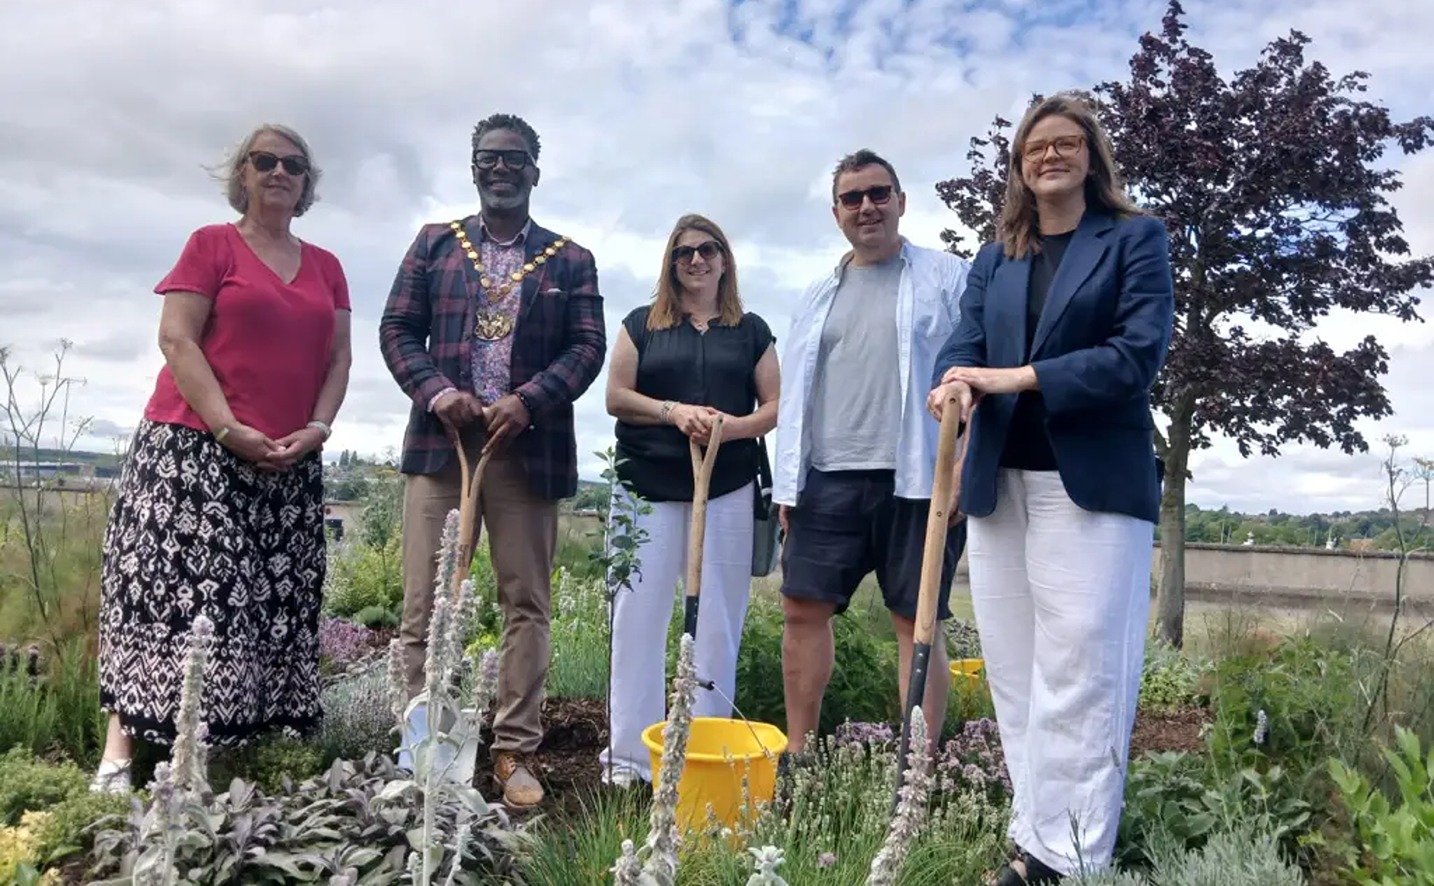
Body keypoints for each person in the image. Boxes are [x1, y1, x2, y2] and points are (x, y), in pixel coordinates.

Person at [928, 92, 1175, 883]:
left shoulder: (1136, 240)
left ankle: (1071, 856)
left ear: (1091, 156)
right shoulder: (996, 257)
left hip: (1090, 487)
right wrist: (954, 384)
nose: (1050, 156)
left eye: (1066, 143)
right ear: (1020, 167)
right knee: (1015, 668)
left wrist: (1016, 377)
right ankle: (1035, 836)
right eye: (1036, 147)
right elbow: (964, 344)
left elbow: (1135, 356)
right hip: (999, 482)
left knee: (1083, 671)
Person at [92, 123, 352, 793]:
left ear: (307, 182)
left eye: (293, 164)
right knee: (169, 598)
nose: (279, 172)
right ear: (243, 174)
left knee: (263, 606)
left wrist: (318, 428)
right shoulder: (212, 245)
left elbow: (339, 359)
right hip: (191, 452)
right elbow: (177, 340)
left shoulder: (327, 266)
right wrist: (227, 428)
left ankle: (234, 760)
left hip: (286, 463)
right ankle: (119, 755)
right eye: (264, 161)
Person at [379, 113, 606, 808]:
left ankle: (513, 752)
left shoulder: (571, 259)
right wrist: (436, 392)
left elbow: (587, 347)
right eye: (488, 157)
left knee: (525, 605)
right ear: (473, 167)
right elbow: (397, 330)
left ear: (535, 170)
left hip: (525, 450)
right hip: (441, 448)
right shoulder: (434, 244)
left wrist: (529, 400)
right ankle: (422, 749)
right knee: (424, 604)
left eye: (513, 158)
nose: (500, 168)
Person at [772, 149, 970, 759]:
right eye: (852, 198)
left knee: (916, 622)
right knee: (802, 610)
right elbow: (797, 393)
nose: (867, 207)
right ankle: (800, 754)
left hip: (919, 479)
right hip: (828, 478)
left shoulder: (949, 277)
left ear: (901, 202)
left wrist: (962, 468)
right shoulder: (816, 293)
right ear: (836, 212)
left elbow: (978, 372)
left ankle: (917, 768)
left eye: (879, 193)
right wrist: (789, 484)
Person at [599, 213, 780, 787]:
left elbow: (774, 407)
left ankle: (704, 750)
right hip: (644, 486)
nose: (696, 260)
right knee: (637, 617)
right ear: (671, 263)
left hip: (726, 487)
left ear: (725, 259)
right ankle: (630, 761)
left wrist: (732, 427)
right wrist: (672, 412)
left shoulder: (751, 331)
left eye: (707, 250)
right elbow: (616, 396)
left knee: (718, 621)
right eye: (684, 252)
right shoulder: (641, 324)